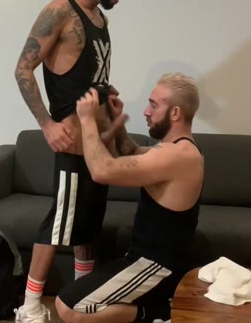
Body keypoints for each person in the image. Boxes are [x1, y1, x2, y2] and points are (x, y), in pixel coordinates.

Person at [12, 0, 148, 322]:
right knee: (59, 225)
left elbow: (89, 79)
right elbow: (23, 69)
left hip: (99, 146)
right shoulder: (60, 11)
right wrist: (47, 124)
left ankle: (80, 297)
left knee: (87, 226)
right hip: (73, 144)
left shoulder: (100, 20)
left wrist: (108, 97)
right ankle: (30, 307)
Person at [55, 72, 204, 323]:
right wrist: (115, 120)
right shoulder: (174, 150)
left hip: (158, 267)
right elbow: (129, 151)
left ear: (175, 113)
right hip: (141, 259)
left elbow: (102, 171)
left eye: (154, 105)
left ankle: (161, 315)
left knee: (69, 307)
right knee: (72, 301)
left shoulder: (179, 156)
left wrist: (87, 120)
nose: (146, 112)